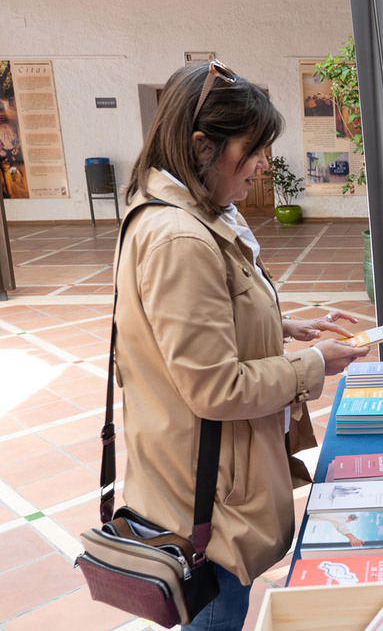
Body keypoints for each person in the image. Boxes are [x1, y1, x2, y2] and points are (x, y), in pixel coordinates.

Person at [116, 60, 370, 630]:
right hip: (203, 499)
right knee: (217, 613)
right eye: (252, 150)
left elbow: (201, 317)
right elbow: (214, 386)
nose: (262, 164)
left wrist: (285, 326)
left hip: (200, 478)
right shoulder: (181, 238)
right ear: (203, 147)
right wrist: (313, 365)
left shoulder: (185, 216)